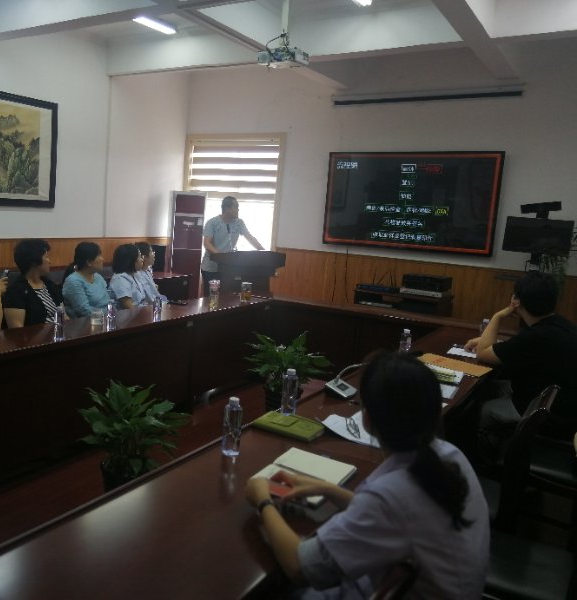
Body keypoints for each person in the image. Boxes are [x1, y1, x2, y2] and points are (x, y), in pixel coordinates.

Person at [246, 352, 489, 598]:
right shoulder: (450, 456)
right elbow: (394, 516)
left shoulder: (390, 495)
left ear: (367, 419)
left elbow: (300, 568)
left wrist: (263, 501)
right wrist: (327, 489)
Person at [464, 270, 577, 443]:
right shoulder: (559, 324)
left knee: (482, 409)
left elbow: (483, 353)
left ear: (516, 301)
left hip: (550, 414)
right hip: (562, 403)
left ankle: (484, 452)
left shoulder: (536, 336)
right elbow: (520, 346)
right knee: (493, 387)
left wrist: (498, 316)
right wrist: (488, 342)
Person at [200, 195, 265, 296]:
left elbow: (250, 238)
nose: (238, 210)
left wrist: (264, 252)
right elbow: (207, 243)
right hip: (211, 268)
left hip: (228, 268)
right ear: (227, 209)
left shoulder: (239, 223)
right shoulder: (212, 222)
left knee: (227, 297)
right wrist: (220, 256)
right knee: (212, 298)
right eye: (236, 207)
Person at [4, 239, 63, 328]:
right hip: (35, 336)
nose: (49, 261)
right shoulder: (15, 291)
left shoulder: (50, 285)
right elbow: (17, 330)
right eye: (46, 257)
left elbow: (64, 316)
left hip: (58, 334)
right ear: (34, 262)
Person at [61, 242, 111, 319]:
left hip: (105, 319)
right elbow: (85, 311)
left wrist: (112, 313)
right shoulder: (73, 281)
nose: (102, 259)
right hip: (85, 323)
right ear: (89, 262)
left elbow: (108, 301)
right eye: (98, 256)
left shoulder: (98, 277)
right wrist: (108, 314)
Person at [108, 244, 147, 310]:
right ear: (131, 260)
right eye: (140, 257)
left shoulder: (135, 275)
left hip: (140, 312)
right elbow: (129, 308)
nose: (142, 260)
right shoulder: (120, 280)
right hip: (129, 315)